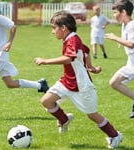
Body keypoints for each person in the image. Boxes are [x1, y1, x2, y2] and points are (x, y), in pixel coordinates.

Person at [34, 11, 122, 149]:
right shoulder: (71, 38)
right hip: (66, 81)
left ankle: (115, 135)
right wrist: (90, 66)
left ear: (63, 28)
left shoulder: (72, 39)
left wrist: (45, 61)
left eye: (54, 28)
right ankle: (64, 119)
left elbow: (70, 58)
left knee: (92, 115)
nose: (52, 31)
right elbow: (86, 51)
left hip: (81, 86)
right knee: (46, 101)